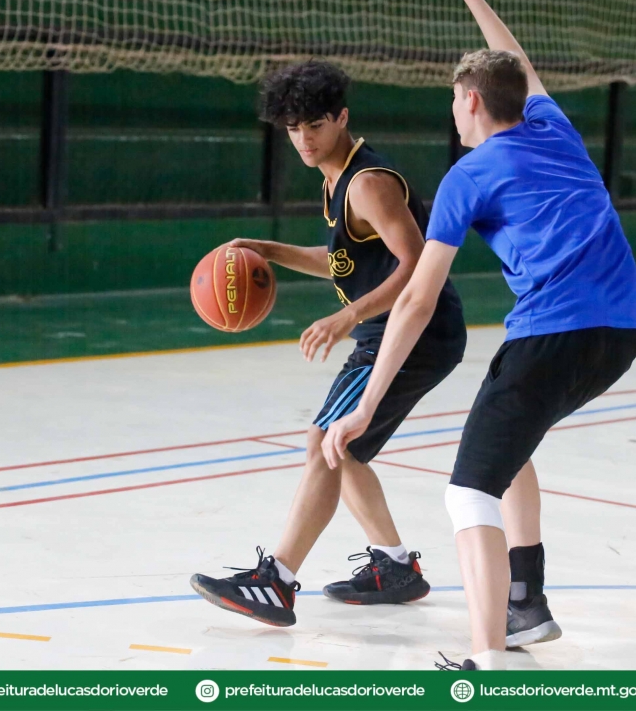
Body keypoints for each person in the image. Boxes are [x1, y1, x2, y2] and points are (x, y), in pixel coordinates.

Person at [323, 0, 636, 669]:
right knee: (510, 449)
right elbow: (518, 67)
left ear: (470, 102)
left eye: (453, 100)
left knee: (468, 494)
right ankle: (525, 604)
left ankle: (489, 661)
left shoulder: (467, 177)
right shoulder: (553, 129)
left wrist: (368, 404)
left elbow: (415, 300)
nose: (453, 111)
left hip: (552, 333)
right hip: (621, 332)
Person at [189, 60, 468, 626]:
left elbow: (417, 263)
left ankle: (276, 582)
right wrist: (268, 250)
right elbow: (344, 260)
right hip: (397, 330)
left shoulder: (367, 183)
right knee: (344, 447)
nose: (303, 139)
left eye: (314, 125)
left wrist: (349, 315)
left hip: (412, 331)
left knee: (325, 442)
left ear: (341, 117)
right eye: (293, 128)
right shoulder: (337, 177)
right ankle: (395, 567)